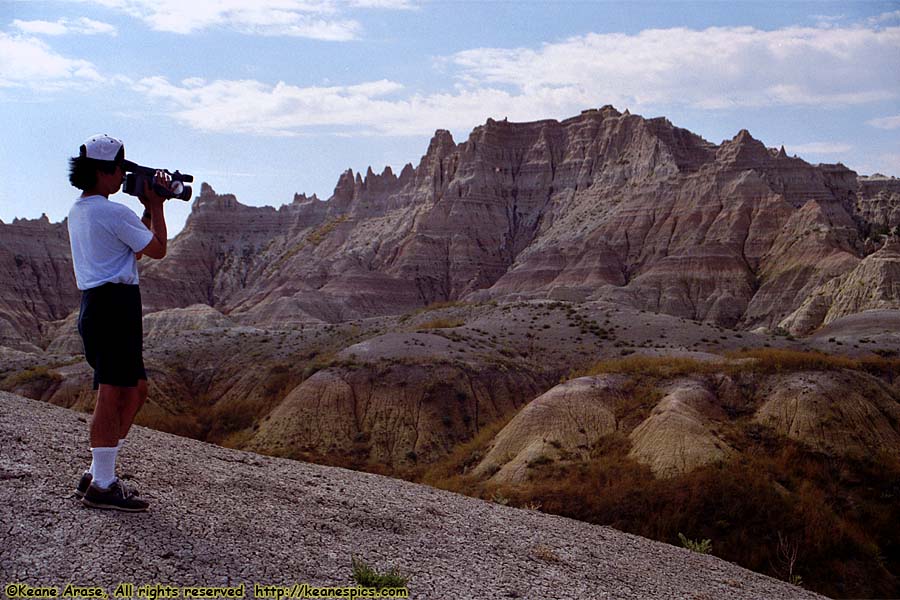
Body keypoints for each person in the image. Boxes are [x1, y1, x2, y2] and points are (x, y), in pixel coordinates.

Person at [67, 134, 169, 512]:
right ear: (103, 171)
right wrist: (156, 205)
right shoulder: (112, 212)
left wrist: (144, 209)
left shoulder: (83, 211)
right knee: (111, 392)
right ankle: (104, 485)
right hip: (113, 306)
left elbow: (134, 250)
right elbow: (157, 249)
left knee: (135, 389)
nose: (122, 177)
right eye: (120, 170)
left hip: (102, 306)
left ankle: (97, 472)